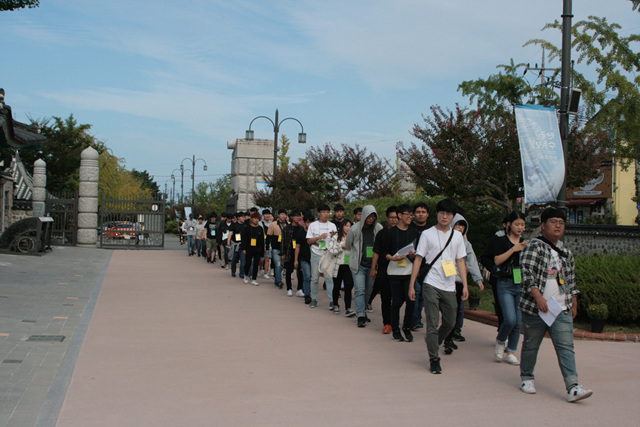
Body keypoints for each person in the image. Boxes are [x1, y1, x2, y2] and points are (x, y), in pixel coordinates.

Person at [519, 208, 592, 402]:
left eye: (561, 222)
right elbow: (526, 276)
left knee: (566, 347)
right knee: (531, 344)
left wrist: (573, 302)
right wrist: (538, 297)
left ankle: (573, 386)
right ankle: (527, 377)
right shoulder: (534, 247)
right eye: (553, 221)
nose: (558, 225)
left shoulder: (565, 251)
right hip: (536, 309)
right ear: (543, 225)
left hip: (560, 307)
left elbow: (570, 280)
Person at [409, 199, 468, 375]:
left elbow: (460, 261)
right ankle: (434, 358)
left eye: (448, 214)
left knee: (450, 322)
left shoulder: (457, 236)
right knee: (433, 323)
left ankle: (433, 341)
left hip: (450, 284)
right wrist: (412, 285)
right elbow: (419, 259)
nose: (445, 217)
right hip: (431, 282)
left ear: (453, 217)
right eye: (442, 213)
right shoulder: (427, 234)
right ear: (436, 214)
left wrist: (465, 285)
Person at [483, 211, 528, 365]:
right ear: (509, 224)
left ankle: (511, 351)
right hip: (504, 283)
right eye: (517, 224)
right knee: (509, 319)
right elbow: (496, 260)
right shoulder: (501, 240)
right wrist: (514, 249)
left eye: (522, 224)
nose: (520, 227)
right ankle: (501, 341)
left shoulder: (525, 242)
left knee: (518, 321)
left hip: (520, 283)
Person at [443, 214, 485, 354]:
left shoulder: (466, 244)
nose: (460, 228)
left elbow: (472, 262)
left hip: (458, 282)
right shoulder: (443, 239)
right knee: (448, 310)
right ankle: (445, 337)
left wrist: (478, 279)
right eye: (457, 225)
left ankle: (449, 338)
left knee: (455, 311)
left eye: (463, 225)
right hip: (444, 280)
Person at [382, 204, 419, 342]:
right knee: (396, 301)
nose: (409, 217)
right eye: (407, 214)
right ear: (399, 215)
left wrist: (414, 255)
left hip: (409, 271)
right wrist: (392, 257)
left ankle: (407, 327)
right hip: (394, 271)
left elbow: (420, 253)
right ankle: (395, 329)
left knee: (410, 300)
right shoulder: (389, 233)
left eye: (411, 214)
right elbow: (384, 252)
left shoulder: (415, 233)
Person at [345, 205, 383, 327]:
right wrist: (356, 255)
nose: (371, 219)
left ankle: (364, 310)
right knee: (359, 290)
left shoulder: (378, 228)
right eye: (369, 216)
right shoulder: (354, 229)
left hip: (373, 265)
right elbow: (348, 245)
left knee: (369, 291)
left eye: (373, 217)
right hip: (358, 265)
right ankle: (360, 315)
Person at [370, 206, 398, 333]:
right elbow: (376, 252)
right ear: (387, 218)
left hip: (400, 270)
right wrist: (373, 268)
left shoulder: (405, 233)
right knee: (385, 298)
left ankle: (395, 320)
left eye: (396, 217)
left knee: (399, 297)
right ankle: (387, 322)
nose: (393, 220)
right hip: (384, 269)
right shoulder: (382, 234)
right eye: (391, 217)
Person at [306, 205, 337, 309]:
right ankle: (314, 299)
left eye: (328, 212)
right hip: (316, 253)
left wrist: (333, 237)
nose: (326, 214)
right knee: (315, 278)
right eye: (323, 212)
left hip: (328, 254)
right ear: (318, 213)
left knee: (329, 278)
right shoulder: (313, 225)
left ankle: (332, 300)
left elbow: (336, 240)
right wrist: (319, 237)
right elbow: (309, 241)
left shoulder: (332, 225)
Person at [410, 202, 430, 330]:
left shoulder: (432, 230)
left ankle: (417, 318)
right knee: (416, 291)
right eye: (418, 212)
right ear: (413, 214)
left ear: (427, 214)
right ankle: (414, 319)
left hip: (427, 266)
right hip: (411, 264)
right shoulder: (409, 228)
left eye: (423, 212)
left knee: (422, 294)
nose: (420, 214)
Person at [327, 220, 354, 316]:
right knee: (336, 286)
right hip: (337, 265)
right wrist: (341, 246)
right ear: (342, 227)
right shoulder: (336, 237)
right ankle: (335, 304)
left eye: (350, 226)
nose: (348, 228)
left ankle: (348, 307)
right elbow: (331, 250)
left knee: (348, 286)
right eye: (346, 226)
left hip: (349, 265)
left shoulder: (353, 238)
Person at [282, 210, 305, 297]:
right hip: (289, 251)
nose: (297, 218)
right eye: (295, 216)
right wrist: (283, 253)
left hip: (299, 252)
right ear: (291, 217)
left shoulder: (301, 229)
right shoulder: (286, 228)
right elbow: (283, 241)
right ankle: (289, 288)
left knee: (300, 271)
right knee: (289, 271)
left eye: (298, 216)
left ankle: (299, 289)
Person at [266, 209, 288, 288]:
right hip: (276, 248)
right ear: (278, 215)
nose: (283, 216)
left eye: (284, 214)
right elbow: (268, 236)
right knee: (277, 264)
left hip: (285, 249)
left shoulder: (288, 224)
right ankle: (278, 281)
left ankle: (276, 277)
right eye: (281, 214)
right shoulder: (273, 224)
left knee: (282, 265)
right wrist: (267, 247)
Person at [241, 212, 265, 286]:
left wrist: (262, 250)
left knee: (256, 264)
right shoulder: (247, 228)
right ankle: (246, 275)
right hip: (249, 248)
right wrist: (244, 248)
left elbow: (262, 240)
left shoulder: (260, 228)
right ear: (251, 219)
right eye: (254, 218)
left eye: (257, 219)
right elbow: (244, 238)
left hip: (258, 249)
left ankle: (254, 279)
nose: (256, 220)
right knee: (248, 263)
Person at [295, 214, 314, 304]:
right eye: (307, 222)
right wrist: (296, 259)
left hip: (314, 257)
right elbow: (297, 247)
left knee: (314, 277)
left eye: (311, 222)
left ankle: (312, 293)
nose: (309, 224)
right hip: (303, 258)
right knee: (307, 276)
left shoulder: (316, 234)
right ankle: (307, 294)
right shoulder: (301, 233)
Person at [228, 212, 246, 278]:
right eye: (242, 217)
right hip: (235, 244)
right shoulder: (234, 225)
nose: (243, 218)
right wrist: (228, 241)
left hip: (243, 245)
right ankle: (233, 271)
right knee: (234, 260)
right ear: (238, 218)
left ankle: (241, 273)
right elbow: (230, 233)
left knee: (243, 259)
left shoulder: (245, 225)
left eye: (244, 217)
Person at [260, 209, 274, 278]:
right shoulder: (260, 223)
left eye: (268, 214)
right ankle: (260, 268)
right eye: (265, 214)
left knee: (267, 258)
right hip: (261, 243)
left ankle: (266, 272)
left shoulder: (272, 223)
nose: (267, 215)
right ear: (263, 215)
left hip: (269, 243)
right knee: (261, 259)